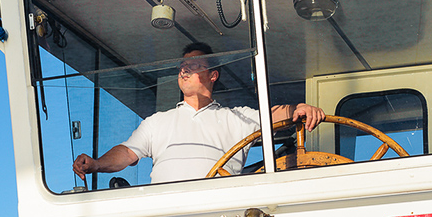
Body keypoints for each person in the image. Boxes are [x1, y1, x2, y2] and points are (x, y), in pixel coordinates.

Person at [72, 43, 326, 184]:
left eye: (193, 66)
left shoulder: (235, 118)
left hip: (220, 214)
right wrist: (95, 164)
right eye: (182, 66)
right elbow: (127, 153)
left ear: (212, 75)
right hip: (163, 213)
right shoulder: (157, 122)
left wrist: (298, 108)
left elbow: (272, 115)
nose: (184, 70)